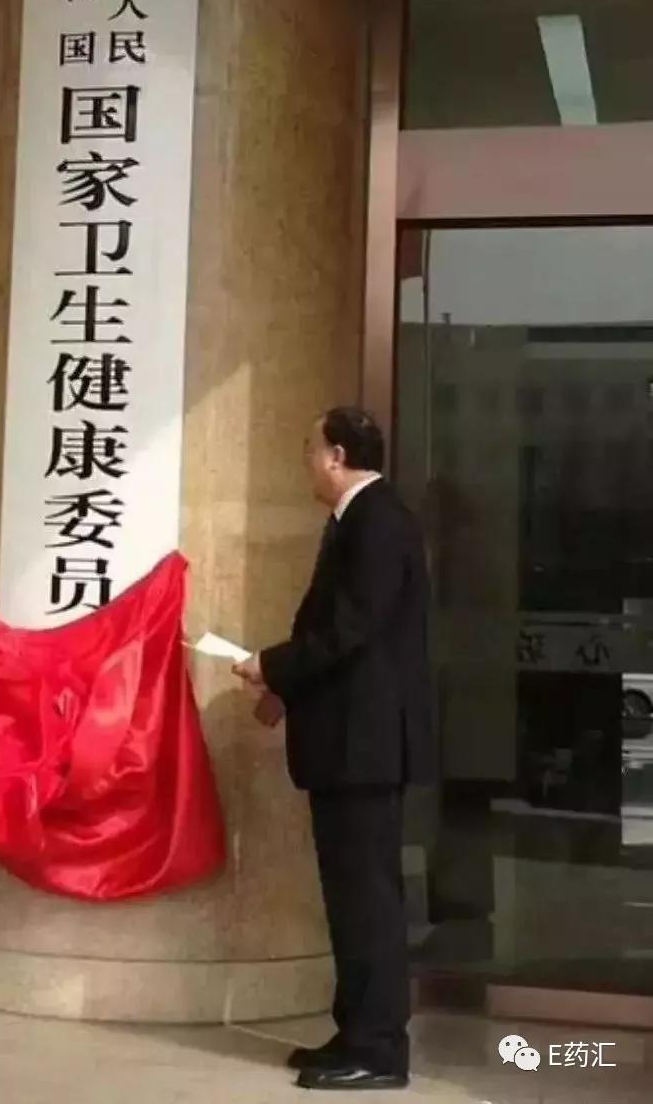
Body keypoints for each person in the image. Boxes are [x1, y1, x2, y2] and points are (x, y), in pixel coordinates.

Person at [233, 407, 433, 1091]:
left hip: (364, 745)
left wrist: (271, 664)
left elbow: (350, 628)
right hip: (347, 739)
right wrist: (285, 690)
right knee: (350, 898)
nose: (306, 461)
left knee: (367, 899)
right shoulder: (359, 518)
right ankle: (356, 1032)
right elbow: (339, 633)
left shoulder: (377, 521)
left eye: (310, 448)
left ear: (336, 456)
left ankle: (379, 1049)